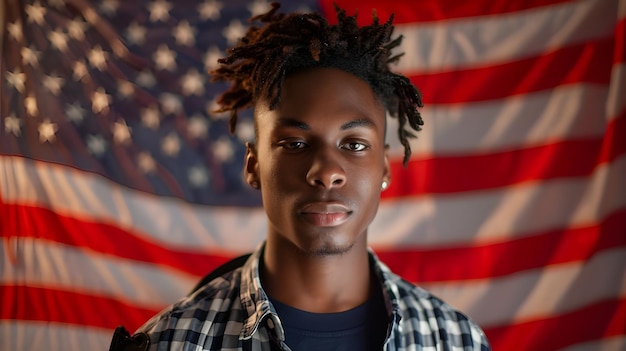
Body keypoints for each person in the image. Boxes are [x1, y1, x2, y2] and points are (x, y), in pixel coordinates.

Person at [127, 3, 491, 350]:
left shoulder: (456, 341)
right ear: (253, 166)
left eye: (354, 144)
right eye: (296, 143)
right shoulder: (170, 341)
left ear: (384, 168)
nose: (327, 172)